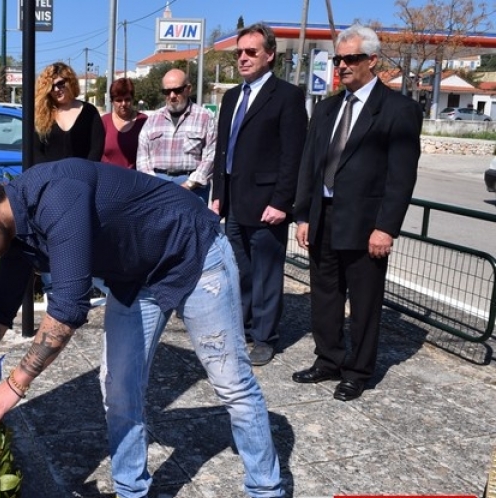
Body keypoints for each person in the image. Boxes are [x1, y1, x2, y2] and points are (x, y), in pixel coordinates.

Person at [0, 158, 288, 498]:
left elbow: (68, 307)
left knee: (232, 384)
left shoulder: (56, 196)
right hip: (136, 279)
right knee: (117, 387)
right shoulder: (16, 234)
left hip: (193, 253)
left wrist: (14, 386)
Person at [292, 24, 422, 401]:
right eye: (339, 59)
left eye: (351, 59)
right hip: (324, 216)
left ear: (372, 61)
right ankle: (328, 359)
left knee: (364, 302)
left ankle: (358, 370)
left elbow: (401, 177)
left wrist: (386, 228)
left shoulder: (398, 110)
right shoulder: (327, 108)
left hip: (366, 226)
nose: (343, 66)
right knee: (325, 295)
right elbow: (310, 166)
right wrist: (303, 215)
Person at [210, 23, 307, 367]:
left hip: (267, 203)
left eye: (251, 52)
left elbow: (292, 155)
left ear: (269, 55)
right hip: (234, 202)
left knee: (267, 273)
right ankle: (244, 328)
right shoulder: (232, 97)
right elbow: (225, 150)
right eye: (239, 52)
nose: (243, 58)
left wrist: (282, 202)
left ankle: (266, 337)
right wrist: (218, 193)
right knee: (240, 272)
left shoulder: (287, 96)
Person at [136, 68, 216, 202]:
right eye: (167, 91)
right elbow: (142, 159)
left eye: (177, 90)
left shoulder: (206, 118)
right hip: (158, 186)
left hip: (193, 188)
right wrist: (155, 185)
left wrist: (189, 185)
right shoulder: (152, 120)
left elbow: (211, 156)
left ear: (188, 89)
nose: (172, 96)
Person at [33, 62, 105, 164]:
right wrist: (49, 174)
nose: (57, 89)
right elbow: (35, 151)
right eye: (52, 87)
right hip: (51, 177)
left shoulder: (90, 111)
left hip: (83, 176)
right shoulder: (42, 114)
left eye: (60, 84)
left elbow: (97, 149)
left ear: (70, 82)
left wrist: (85, 172)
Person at [101, 78, 147, 169]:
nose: (123, 104)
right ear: (112, 101)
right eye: (118, 100)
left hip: (136, 178)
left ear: (133, 99)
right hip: (108, 177)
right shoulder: (104, 122)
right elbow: (97, 153)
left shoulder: (144, 121)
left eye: (127, 99)